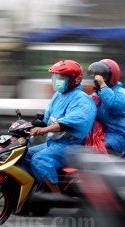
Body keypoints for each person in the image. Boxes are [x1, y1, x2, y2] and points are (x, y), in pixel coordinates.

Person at [21, 60, 96, 193]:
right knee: (23, 155)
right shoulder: (58, 95)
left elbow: (67, 124)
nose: (56, 80)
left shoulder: (82, 100)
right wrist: (26, 126)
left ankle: (57, 195)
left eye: (61, 77)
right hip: (53, 143)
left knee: (40, 159)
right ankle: (38, 189)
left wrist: (43, 130)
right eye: (55, 77)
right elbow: (46, 120)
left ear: (73, 80)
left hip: (70, 146)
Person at [87, 59, 125, 156]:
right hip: (104, 133)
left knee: (96, 152)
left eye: (101, 76)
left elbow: (115, 104)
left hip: (121, 134)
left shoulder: (120, 92)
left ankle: (120, 154)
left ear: (110, 76)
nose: (97, 78)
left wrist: (102, 85)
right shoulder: (97, 94)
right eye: (96, 75)